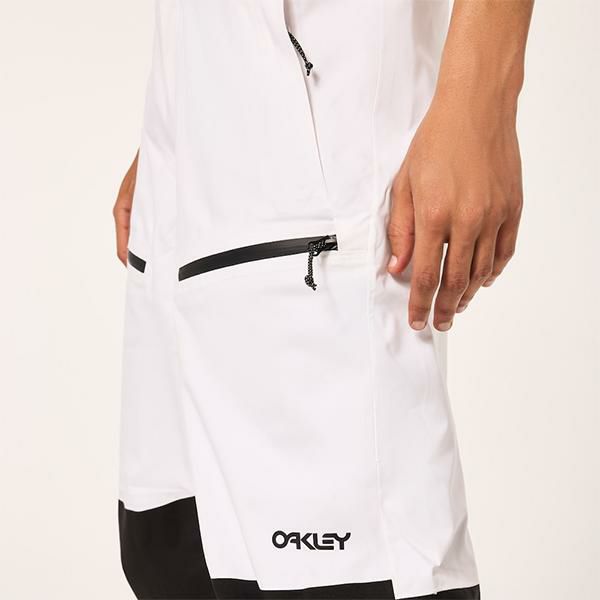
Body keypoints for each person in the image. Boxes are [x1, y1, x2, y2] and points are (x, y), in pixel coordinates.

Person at [113, 2, 533, 599]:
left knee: (343, 577)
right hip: (188, 159)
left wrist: (480, 96)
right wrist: (191, 117)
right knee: (168, 550)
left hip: (326, 146)